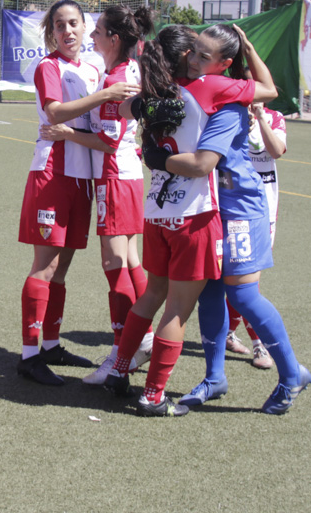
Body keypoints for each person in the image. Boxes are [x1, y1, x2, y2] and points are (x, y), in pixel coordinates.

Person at [144, 24, 310, 415]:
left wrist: (157, 158)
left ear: (225, 63)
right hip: (211, 207)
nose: (194, 60)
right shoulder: (195, 90)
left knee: (244, 294)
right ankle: (215, 377)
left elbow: (205, 162)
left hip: (239, 207)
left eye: (204, 55)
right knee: (211, 291)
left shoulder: (226, 97)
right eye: (193, 52)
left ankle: (291, 374)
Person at [98, 24, 244, 417]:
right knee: (177, 309)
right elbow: (265, 91)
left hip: (157, 214)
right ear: (186, 57)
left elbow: (125, 108)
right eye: (194, 52)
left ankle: (119, 371)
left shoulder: (154, 96)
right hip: (194, 216)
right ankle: (153, 395)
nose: (199, 58)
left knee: (151, 296)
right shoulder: (204, 91)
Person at [16, 0, 139, 386]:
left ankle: (51, 344)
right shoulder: (48, 66)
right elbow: (54, 112)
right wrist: (106, 96)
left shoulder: (94, 69)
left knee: (63, 266)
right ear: (50, 32)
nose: (67, 31)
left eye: (74, 23)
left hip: (84, 176)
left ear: (86, 28)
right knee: (46, 265)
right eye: (58, 25)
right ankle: (30, 354)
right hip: (52, 172)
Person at [225, 100, 287, 370]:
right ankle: (259, 343)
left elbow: (276, 151)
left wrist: (260, 118)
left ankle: (228, 333)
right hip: (236, 206)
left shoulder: (274, 117)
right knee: (244, 277)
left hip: (264, 209)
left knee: (246, 275)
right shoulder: (228, 114)